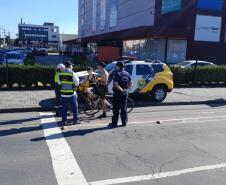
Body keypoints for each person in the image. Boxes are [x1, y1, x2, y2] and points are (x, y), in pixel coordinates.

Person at [109, 61, 132, 128]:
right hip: (125, 94)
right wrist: (127, 90)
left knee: (116, 109)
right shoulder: (127, 73)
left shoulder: (117, 73)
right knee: (123, 108)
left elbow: (116, 84)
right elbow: (130, 83)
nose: (116, 67)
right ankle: (124, 122)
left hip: (117, 94)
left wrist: (121, 90)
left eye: (116, 66)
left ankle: (114, 123)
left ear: (118, 66)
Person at [58, 61, 80, 130]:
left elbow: (59, 83)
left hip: (64, 94)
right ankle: (75, 120)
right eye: (72, 65)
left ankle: (64, 121)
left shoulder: (60, 74)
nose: (72, 66)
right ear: (70, 66)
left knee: (64, 109)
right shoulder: (72, 73)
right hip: (71, 94)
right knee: (74, 108)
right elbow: (77, 83)